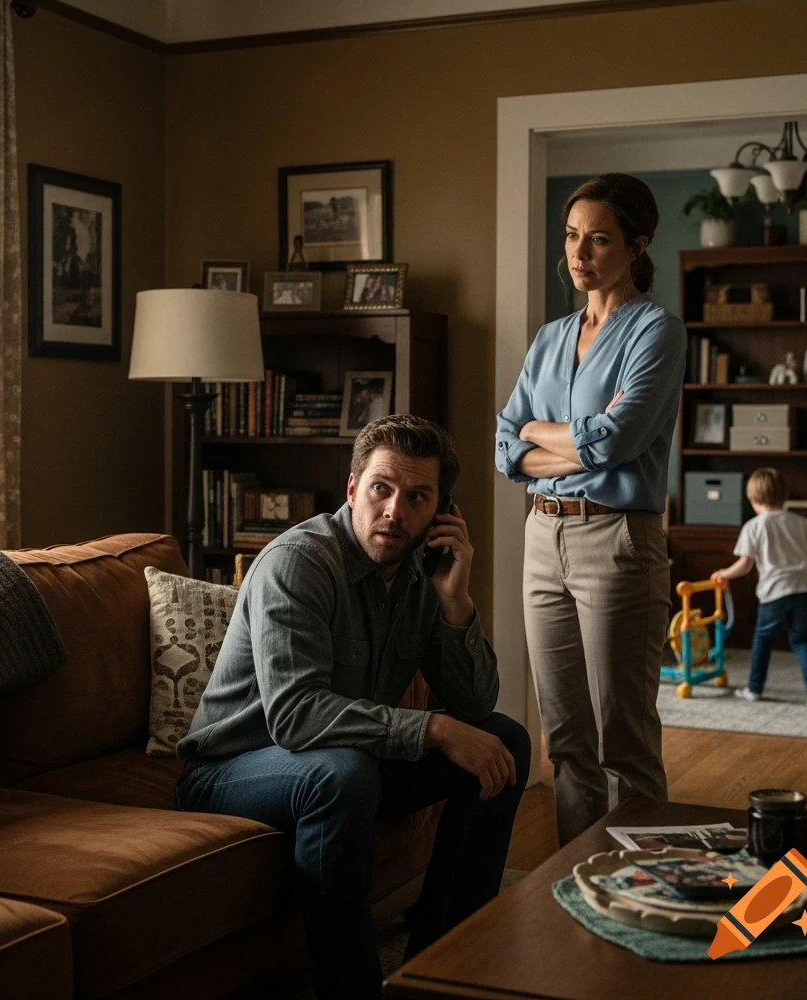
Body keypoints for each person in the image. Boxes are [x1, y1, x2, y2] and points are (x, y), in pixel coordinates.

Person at [176, 415, 531, 1000]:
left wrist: (457, 600)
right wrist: (434, 729)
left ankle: (438, 973)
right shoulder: (300, 563)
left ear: (442, 512)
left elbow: (475, 703)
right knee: (342, 773)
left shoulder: (425, 573)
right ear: (352, 490)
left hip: (348, 761)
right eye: (381, 489)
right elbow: (295, 717)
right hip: (234, 768)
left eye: (417, 497)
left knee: (505, 742)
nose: (394, 510)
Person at [495, 172, 685, 846]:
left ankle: (644, 886)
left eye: (599, 240)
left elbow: (619, 440)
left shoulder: (656, 331)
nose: (580, 253)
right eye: (573, 237)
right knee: (567, 740)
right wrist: (567, 439)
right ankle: (576, 881)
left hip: (618, 543)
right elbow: (501, 442)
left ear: (635, 246)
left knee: (622, 740)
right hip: (543, 541)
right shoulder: (550, 337)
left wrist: (537, 435)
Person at [711, 467, 807, 706]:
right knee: (801, 639)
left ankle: (754, 688)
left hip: (776, 591)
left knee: (763, 638)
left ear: (753, 499)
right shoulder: (798, 521)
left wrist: (723, 573)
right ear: (784, 496)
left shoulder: (754, 526)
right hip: (805, 588)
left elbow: (744, 565)